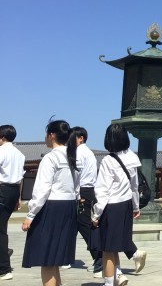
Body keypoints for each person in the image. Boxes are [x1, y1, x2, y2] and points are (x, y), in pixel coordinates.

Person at [22, 119, 79, 286]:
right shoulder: (72, 157)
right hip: (68, 206)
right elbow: (76, 187)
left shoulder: (50, 158)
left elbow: (42, 189)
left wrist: (30, 215)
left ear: (51, 135)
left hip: (51, 207)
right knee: (54, 258)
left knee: (46, 258)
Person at [90, 123, 142, 286]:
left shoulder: (108, 160)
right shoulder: (133, 157)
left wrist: (96, 214)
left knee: (107, 249)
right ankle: (118, 277)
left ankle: (108, 283)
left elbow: (102, 190)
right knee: (115, 246)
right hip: (126, 205)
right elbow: (135, 186)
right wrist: (136, 207)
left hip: (110, 206)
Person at [68, 126, 103, 275]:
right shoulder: (89, 153)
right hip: (89, 190)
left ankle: (99, 258)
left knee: (84, 225)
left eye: (72, 137)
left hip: (82, 190)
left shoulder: (79, 152)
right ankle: (67, 257)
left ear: (81, 138)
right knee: (75, 225)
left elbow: (76, 175)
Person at [0, 125, 25, 281]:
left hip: (2, 190)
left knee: (0, 230)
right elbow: (21, 178)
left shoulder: (1, 151)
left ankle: (4, 268)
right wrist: (18, 198)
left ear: (2, 137)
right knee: (2, 226)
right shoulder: (19, 154)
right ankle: (4, 252)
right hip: (13, 191)